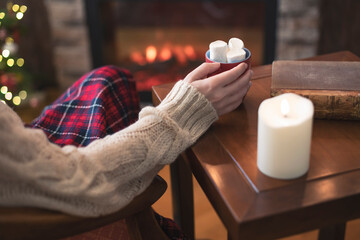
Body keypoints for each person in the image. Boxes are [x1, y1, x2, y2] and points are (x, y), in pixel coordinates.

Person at [0, 62, 252, 239]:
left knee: (110, 79)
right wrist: (180, 112)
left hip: (20, 142)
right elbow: (79, 180)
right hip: (62, 186)